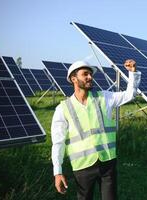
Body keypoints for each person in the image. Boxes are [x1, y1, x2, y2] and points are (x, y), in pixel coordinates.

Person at [51, 59, 141, 200]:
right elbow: (58, 142)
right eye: (85, 74)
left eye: (91, 74)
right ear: (73, 79)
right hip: (82, 167)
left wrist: (132, 73)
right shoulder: (62, 109)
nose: (90, 77)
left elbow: (129, 95)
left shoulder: (104, 97)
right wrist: (58, 172)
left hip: (108, 162)